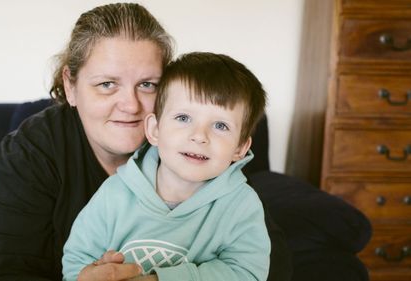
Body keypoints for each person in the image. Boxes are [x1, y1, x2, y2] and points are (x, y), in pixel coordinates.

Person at [0, 3, 291, 281]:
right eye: (107, 84)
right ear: (70, 86)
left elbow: (266, 266)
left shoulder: (193, 150)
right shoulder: (31, 152)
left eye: (147, 84)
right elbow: (7, 270)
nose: (130, 105)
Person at [62, 52, 271, 281]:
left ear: (240, 147)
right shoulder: (115, 194)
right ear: (155, 129)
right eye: (183, 118)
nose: (199, 136)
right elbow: (76, 262)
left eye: (220, 125)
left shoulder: (241, 206)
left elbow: (247, 273)